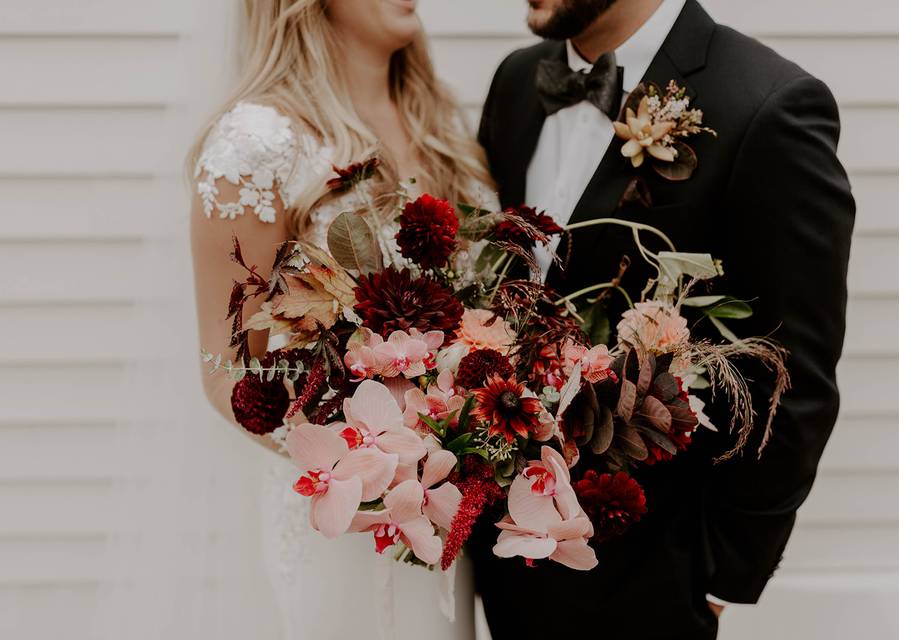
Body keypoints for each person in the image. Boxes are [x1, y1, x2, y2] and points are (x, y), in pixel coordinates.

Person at [474, 0, 855, 638]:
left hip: (651, 576)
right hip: (506, 562)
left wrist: (719, 576)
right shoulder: (517, 80)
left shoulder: (768, 103)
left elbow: (797, 378)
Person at [189, 1, 494, 638]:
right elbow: (227, 368)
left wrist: (467, 435)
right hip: (339, 518)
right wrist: (370, 463)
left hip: (447, 505)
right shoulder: (256, 145)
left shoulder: (440, 123)